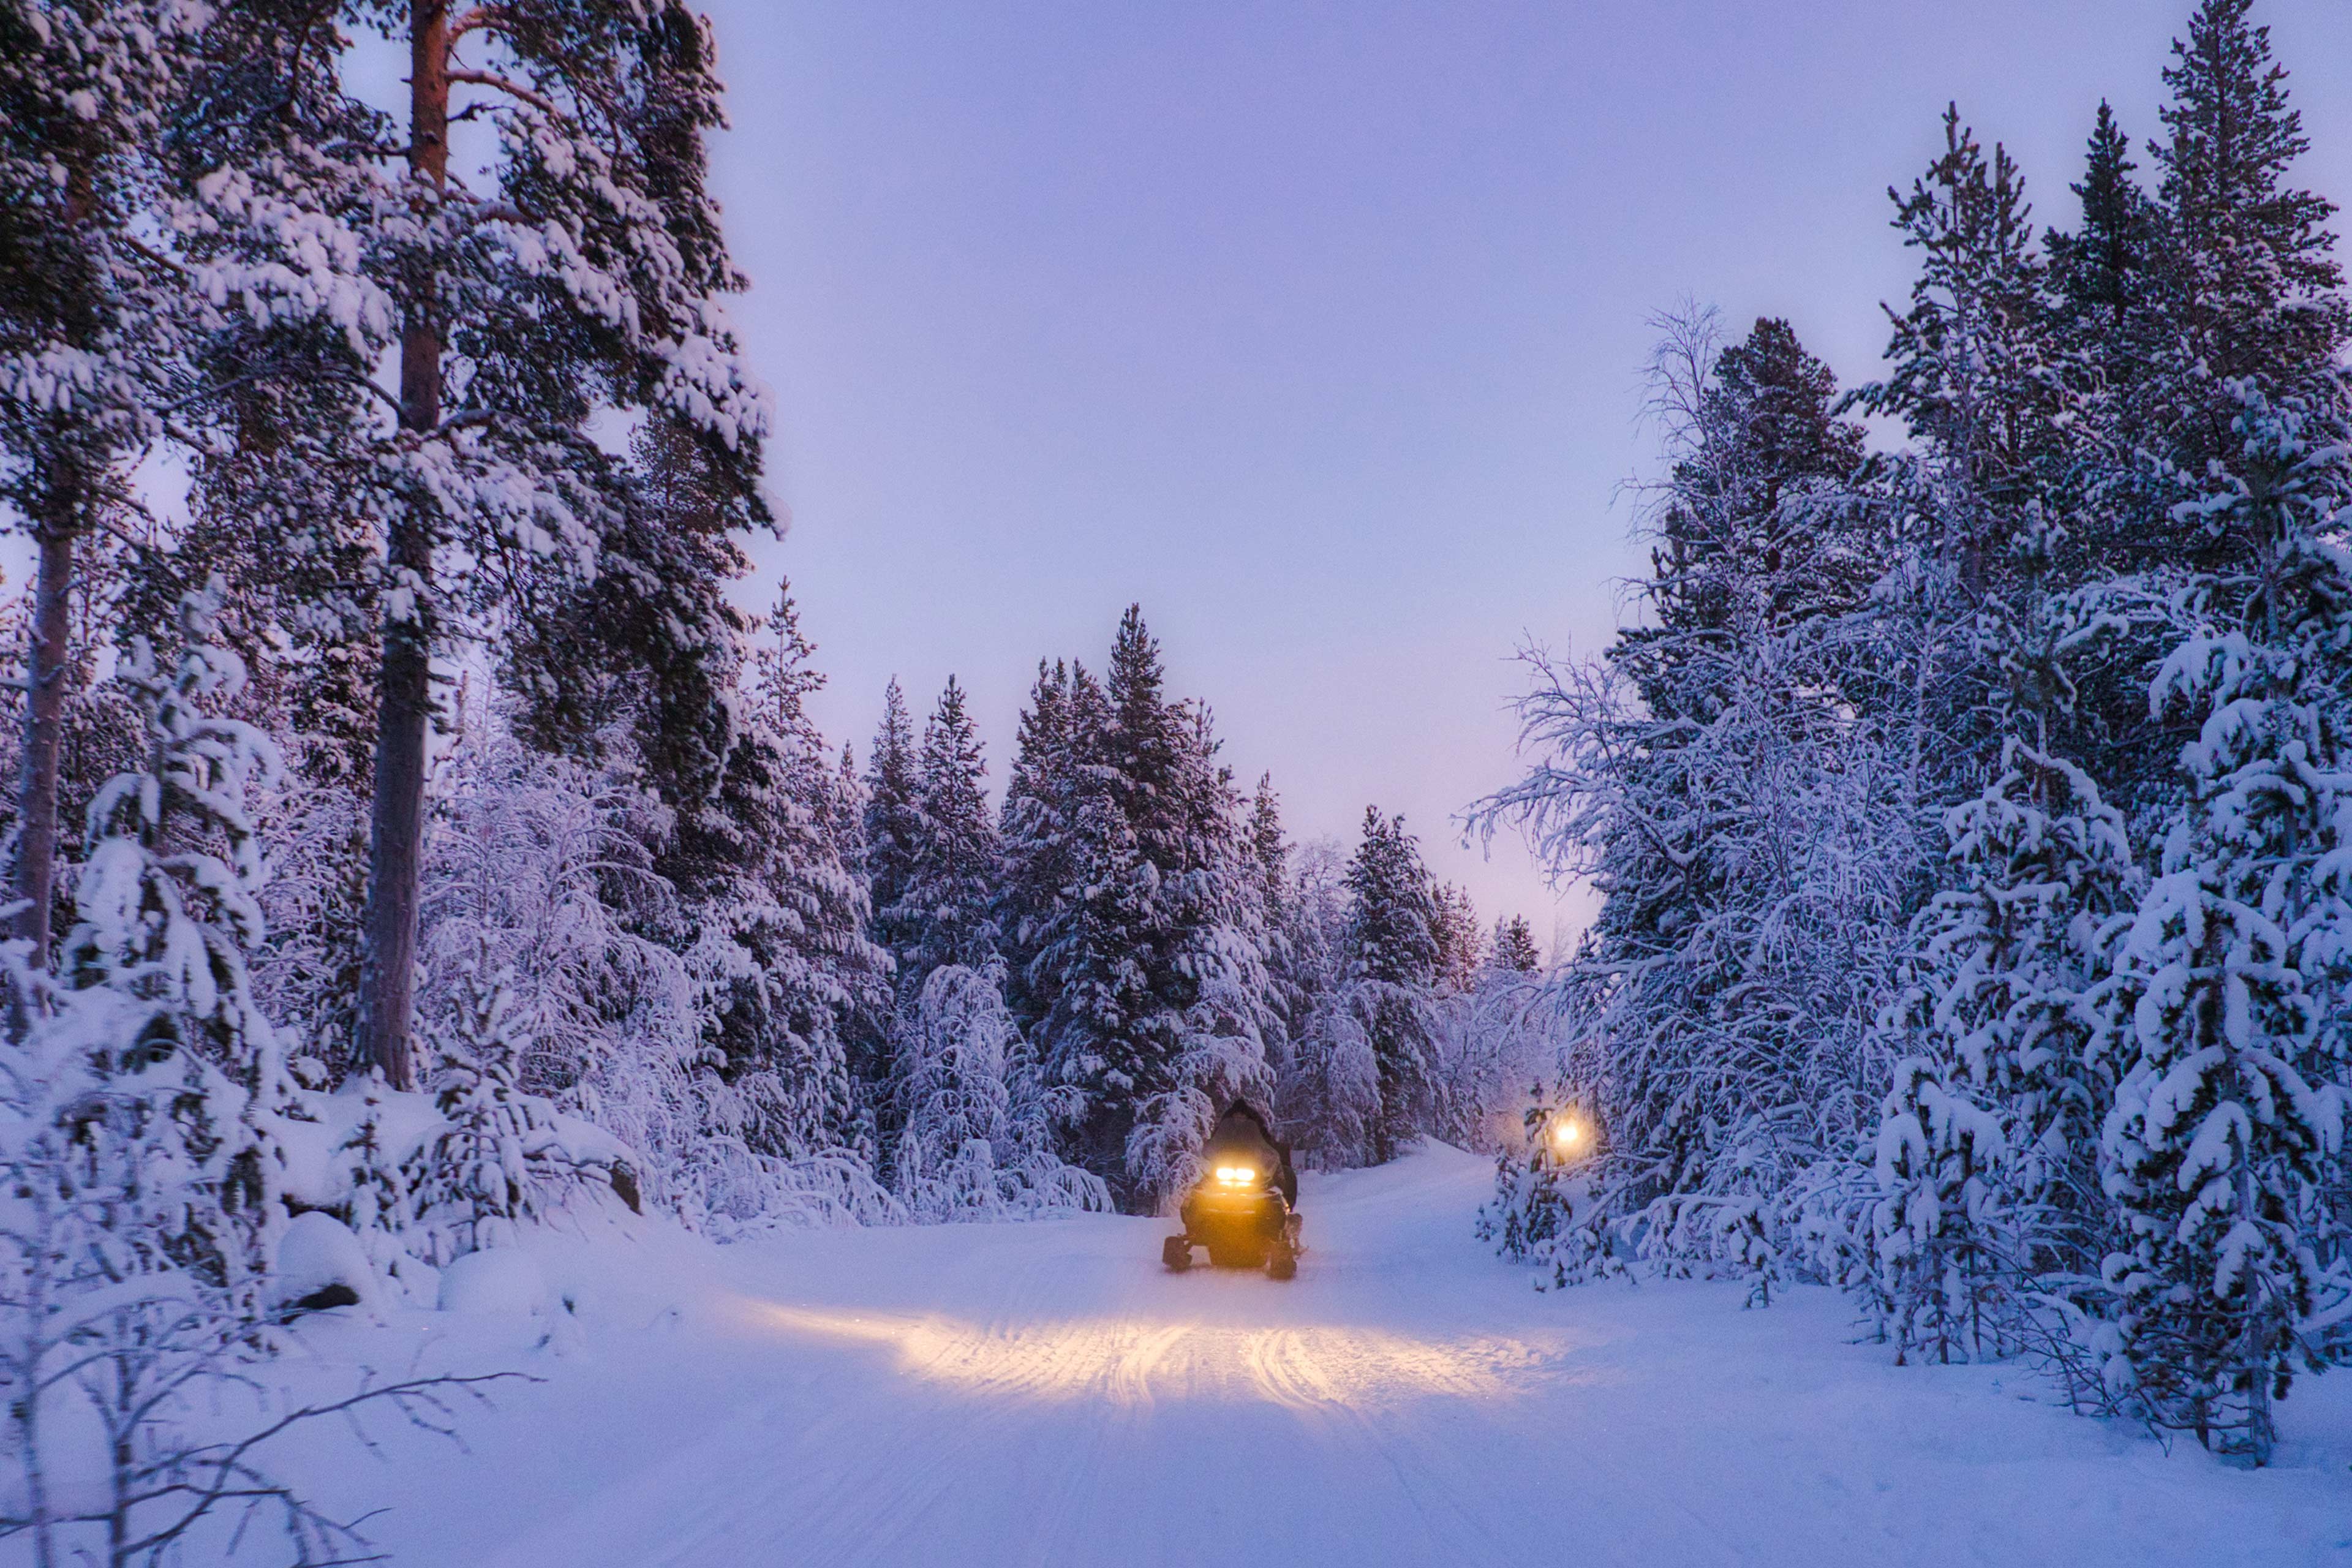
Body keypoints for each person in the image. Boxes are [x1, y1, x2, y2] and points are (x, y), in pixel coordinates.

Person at [1200, 1099, 1297, 1208]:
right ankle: (1196, 1210)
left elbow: (1266, 1142)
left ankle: (1286, 1205)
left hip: (1253, 1163)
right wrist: (1210, 1150)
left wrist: (1267, 1150)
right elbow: (1215, 1141)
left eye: (1242, 1115)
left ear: (1247, 1116)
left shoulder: (1257, 1129)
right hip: (1226, 1164)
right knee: (1201, 1184)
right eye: (1236, 1115)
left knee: (1284, 1175)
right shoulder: (1225, 1129)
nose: (1239, 1118)